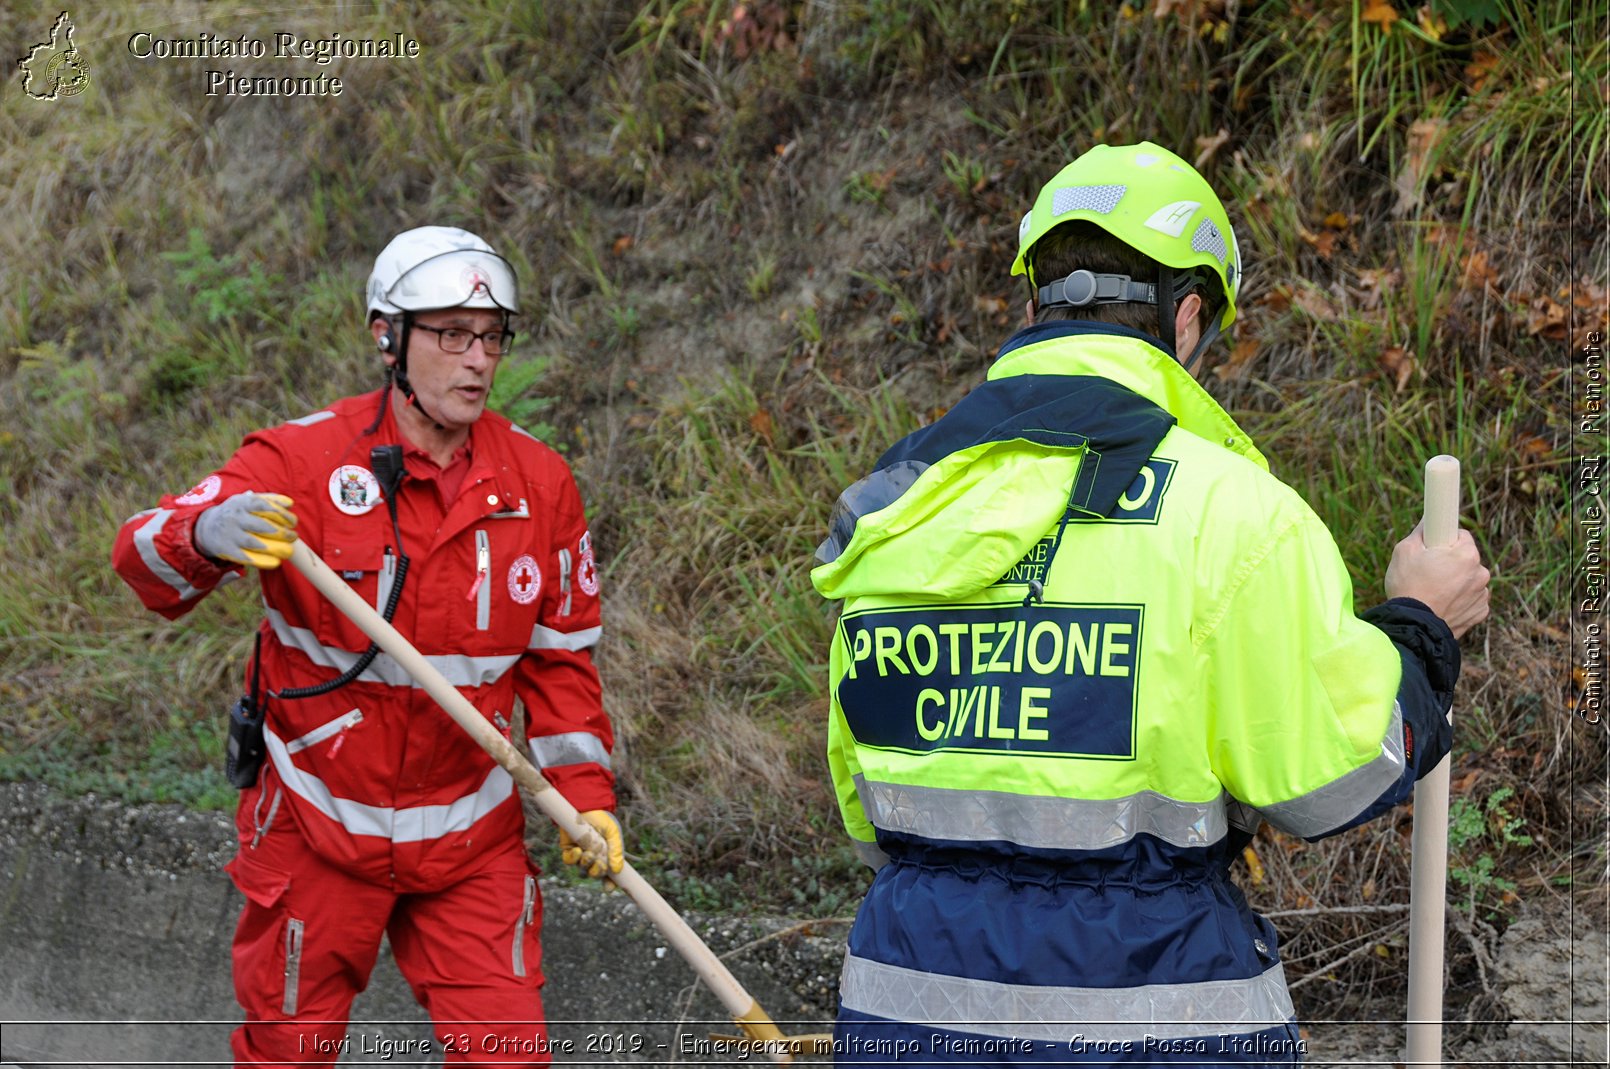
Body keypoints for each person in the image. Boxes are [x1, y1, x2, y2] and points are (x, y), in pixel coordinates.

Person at [811, 142, 1490, 1065]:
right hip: (1157, 1018)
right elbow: (1338, 773)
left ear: (1032, 307)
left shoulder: (890, 511)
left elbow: (865, 809)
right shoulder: (1231, 513)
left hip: (903, 1011)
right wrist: (1422, 626)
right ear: (1188, 318)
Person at [112, 226, 624, 1066]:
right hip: (317, 825)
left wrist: (584, 792)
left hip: (469, 841)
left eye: (492, 337)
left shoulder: (539, 484)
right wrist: (207, 531)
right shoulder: (304, 459)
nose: (477, 361)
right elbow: (141, 558)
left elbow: (561, 659)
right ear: (389, 337)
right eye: (451, 334)